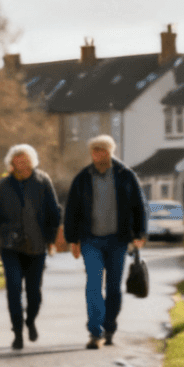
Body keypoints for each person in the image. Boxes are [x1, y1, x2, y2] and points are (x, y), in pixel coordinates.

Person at [63, 135, 147, 349]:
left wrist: (140, 233)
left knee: (113, 287)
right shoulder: (82, 178)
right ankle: (95, 332)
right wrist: (73, 240)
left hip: (117, 240)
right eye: (95, 151)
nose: (99, 154)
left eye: (103, 150)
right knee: (93, 284)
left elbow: (139, 205)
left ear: (111, 152)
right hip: (91, 239)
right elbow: (72, 209)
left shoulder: (125, 176)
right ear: (91, 153)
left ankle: (109, 326)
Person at [0, 143, 63, 351]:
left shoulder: (42, 181)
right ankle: (17, 332)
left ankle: (30, 320)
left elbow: (54, 211)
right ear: (11, 163)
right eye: (16, 161)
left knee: (34, 292)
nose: (21, 164)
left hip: (36, 246)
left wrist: (52, 238)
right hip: (10, 245)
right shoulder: (3, 185)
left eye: (24, 160)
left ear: (31, 162)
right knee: (14, 289)